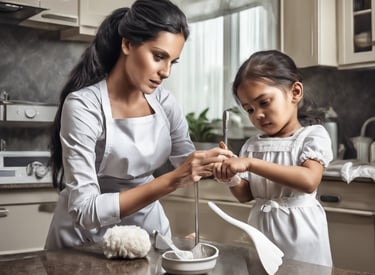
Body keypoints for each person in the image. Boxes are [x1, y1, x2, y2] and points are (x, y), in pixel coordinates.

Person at [45, 0, 233, 250]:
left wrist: (215, 164)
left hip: (148, 231)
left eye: (173, 62)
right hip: (84, 239)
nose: (166, 72)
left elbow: (185, 159)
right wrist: (172, 180)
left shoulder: (164, 101)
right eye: (158, 56)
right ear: (127, 44)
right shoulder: (83, 106)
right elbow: (85, 209)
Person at [213, 50, 333, 266]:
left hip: (301, 236)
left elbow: (309, 180)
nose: (257, 114)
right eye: (249, 109)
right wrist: (230, 177)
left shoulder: (313, 136)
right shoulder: (252, 145)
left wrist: (250, 163)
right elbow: (246, 195)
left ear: (295, 92)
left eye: (265, 102)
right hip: (261, 234)